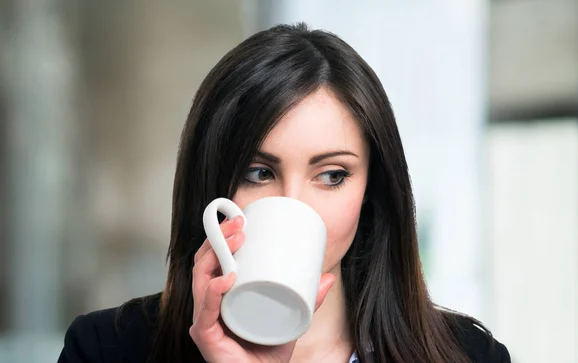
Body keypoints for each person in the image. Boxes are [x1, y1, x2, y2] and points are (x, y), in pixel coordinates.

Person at [58, 23, 510, 363]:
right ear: (212, 183)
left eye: (332, 175)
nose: (293, 204)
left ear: (373, 189)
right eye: (258, 172)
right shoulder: (106, 350)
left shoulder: (470, 355)